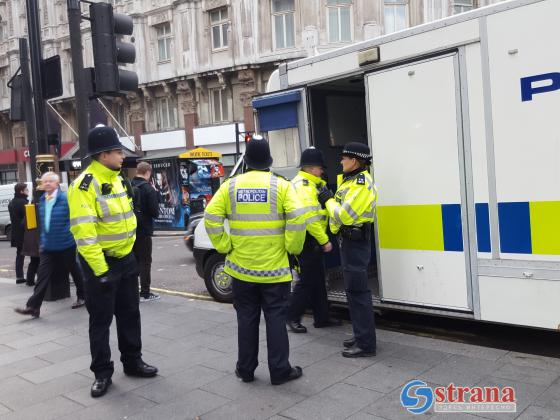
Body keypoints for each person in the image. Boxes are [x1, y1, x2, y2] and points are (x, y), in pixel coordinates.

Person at [204, 135, 306, 385]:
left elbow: (210, 217)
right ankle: (280, 371)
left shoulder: (230, 186)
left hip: (241, 270)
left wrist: (224, 245)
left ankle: (246, 370)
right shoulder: (281, 186)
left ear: (247, 160)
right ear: (269, 160)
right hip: (274, 271)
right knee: (275, 320)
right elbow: (298, 218)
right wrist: (290, 248)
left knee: (246, 320)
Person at [68, 125, 158, 398]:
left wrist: (130, 255)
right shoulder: (84, 185)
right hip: (102, 264)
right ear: (102, 154)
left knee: (131, 314)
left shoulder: (119, 179)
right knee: (101, 320)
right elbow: (85, 234)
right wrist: (100, 271)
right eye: (118, 151)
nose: (122, 156)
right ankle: (102, 373)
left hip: (126, 260)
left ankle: (132, 361)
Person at [318, 142, 377, 358]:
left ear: (354, 160)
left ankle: (366, 344)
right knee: (353, 291)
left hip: (356, 243)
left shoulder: (361, 184)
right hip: (349, 241)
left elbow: (343, 215)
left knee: (359, 292)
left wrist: (327, 200)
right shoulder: (349, 180)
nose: (340, 161)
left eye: (344, 157)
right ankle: (360, 334)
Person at [14, 172, 86, 317]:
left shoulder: (65, 199)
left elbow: (76, 219)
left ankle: (83, 296)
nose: (47, 184)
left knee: (75, 271)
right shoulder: (42, 200)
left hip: (66, 244)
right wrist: (43, 240)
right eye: (44, 181)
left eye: (50, 181)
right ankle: (33, 307)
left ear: (57, 183)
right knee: (42, 276)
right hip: (48, 247)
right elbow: (44, 224)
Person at [287, 147, 340, 333]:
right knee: (307, 281)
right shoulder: (303, 186)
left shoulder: (316, 184)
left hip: (313, 239)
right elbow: (310, 218)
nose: (322, 170)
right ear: (310, 168)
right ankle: (292, 316)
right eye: (320, 167)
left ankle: (322, 317)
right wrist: (324, 240)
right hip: (307, 239)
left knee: (317, 280)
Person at [132, 161, 160, 302]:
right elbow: (155, 212)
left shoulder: (129, 186)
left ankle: (131, 290)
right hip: (144, 231)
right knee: (145, 261)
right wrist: (156, 194)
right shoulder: (148, 189)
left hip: (130, 230)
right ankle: (145, 293)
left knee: (134, 260)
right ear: (148, 172)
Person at [8, 183, 32, 285]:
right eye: (26, 189)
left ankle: (19, 276)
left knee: (19, 255)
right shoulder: (24, 203)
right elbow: (29, 220)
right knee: (33, 254)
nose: (28, 191)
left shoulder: (11, 203)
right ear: (21, 191)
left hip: (16, 233)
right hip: (25, 233)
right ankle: (32, 277)